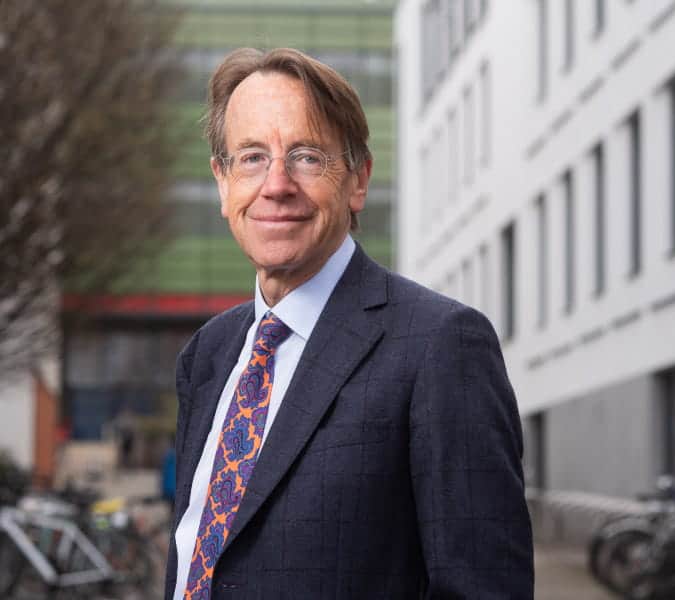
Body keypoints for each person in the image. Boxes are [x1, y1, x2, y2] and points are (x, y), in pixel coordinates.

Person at [166, 47, 534, 599]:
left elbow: (485, 588)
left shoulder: (439, 346)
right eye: (251, 158)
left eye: (307, 157)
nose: (277, 184)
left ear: (358, 180)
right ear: (223, 183)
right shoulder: (208, 355)